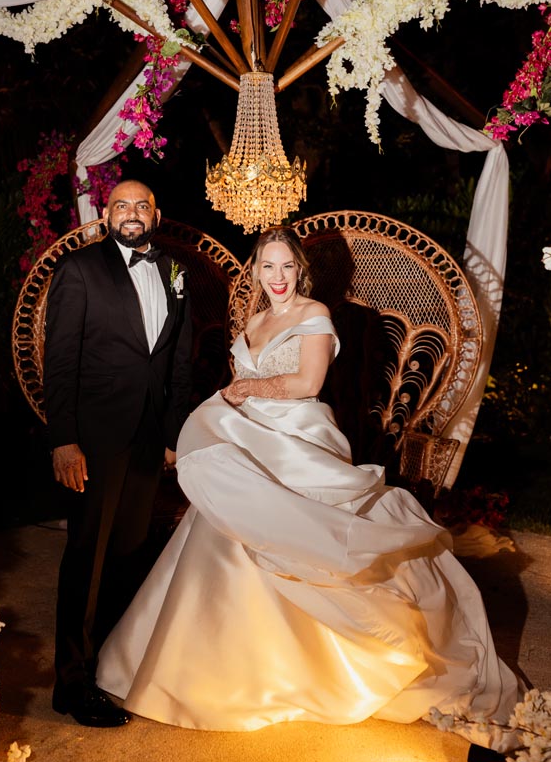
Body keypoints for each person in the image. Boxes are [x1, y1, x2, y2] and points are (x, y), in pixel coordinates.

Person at [95, 225, 525, 757]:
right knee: (224, 521)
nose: (277, 278)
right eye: (268, 267)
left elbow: (308, 383)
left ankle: (321, 672)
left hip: (296, 439)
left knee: (293, 534)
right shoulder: (254, 320)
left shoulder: (314, 314)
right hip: (248, 437)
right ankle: (220, 669)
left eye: (287, 267)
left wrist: (247, 388)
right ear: (255, 270)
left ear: (301, 271)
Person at [43, 179, 193, 728]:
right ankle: (72, 685)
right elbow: (58, 363)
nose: (131, 214)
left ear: (158, 212)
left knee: (130, 553)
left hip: (151, 438)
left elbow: (178, 361)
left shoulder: (176, 272)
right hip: (94, 440)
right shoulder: (79, 270)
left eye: (141, 205)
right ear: (107, 215)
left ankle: (108, 668)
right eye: (120, 205)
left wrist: (175, 434)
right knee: (86, 555)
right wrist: (63, 438)